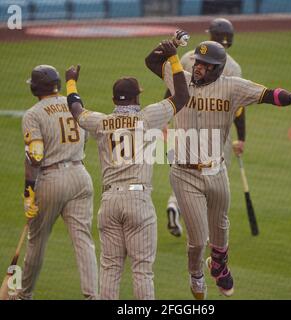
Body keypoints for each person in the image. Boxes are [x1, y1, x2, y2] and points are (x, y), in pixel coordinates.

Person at [145, 35, 291, 299]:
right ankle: (196, 275)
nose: (198, 67)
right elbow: (152, 61)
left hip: (217, 171)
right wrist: (171, 45)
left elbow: (268, 94)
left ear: (217, 68)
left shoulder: (232, 87)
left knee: (220, 229)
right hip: (184, 172)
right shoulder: (181, 80)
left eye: (205, 64)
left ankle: (219, 266)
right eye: (197, 62)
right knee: (198, 240)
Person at [64, 37, 189, 299]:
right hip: (138, 200)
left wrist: (71, 80)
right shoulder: (148, 116)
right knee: (142, 270)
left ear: (113, 98)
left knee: (110, 269)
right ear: (137, 97)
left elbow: (76, 109)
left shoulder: (100, 122)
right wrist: (174, 59)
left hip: (109, 202)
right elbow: (183, 96)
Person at [20, 65, 98, 300]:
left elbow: (35, 156)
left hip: (51, 179)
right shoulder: (74, 105)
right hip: (80, 175)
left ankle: (24, 295)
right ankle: (92, 295)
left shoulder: (33, 114)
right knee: (84, 240)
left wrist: (29, 193)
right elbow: (84, 140)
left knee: (37, 241)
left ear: (35, 88)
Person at [166, 18, 245, 238]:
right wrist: (242, 137)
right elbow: (237, 107)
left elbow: (172, 90)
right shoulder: (234, 67)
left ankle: (175, 203)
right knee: (212, 175)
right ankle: (208, 230)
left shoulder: (188, 56)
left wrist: (165, 121)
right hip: (217, 131)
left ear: (211, 35)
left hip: (182, 126)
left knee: (183, 170)